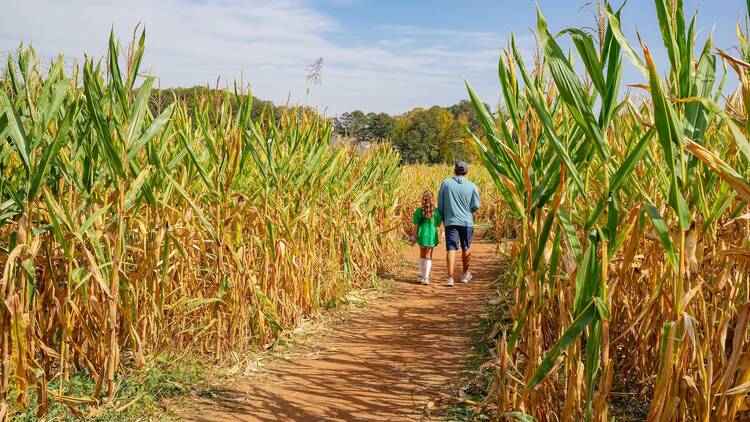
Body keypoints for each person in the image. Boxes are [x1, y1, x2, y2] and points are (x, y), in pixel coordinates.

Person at [438, 161, 480, 287]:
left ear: (454, 170)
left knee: (451, 248)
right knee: (465, 247)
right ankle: (465, 275)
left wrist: (443, 216)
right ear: (466, 172)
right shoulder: (472, 186)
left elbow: (440, 204)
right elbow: (476, 205)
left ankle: (450, 278)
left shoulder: (446, 184)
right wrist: (468, 211)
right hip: (466, 221)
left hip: (451, 221)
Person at [412, 190, 442, 285]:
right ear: (432, 200)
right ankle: (426, 277)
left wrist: (414, 236)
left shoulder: (418, 211)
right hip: (431, 236)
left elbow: (416, 226)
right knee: (429, 255)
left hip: (422, 235)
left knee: (422, 254)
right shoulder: (436, 211)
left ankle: (419, 275)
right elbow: (438, 224)